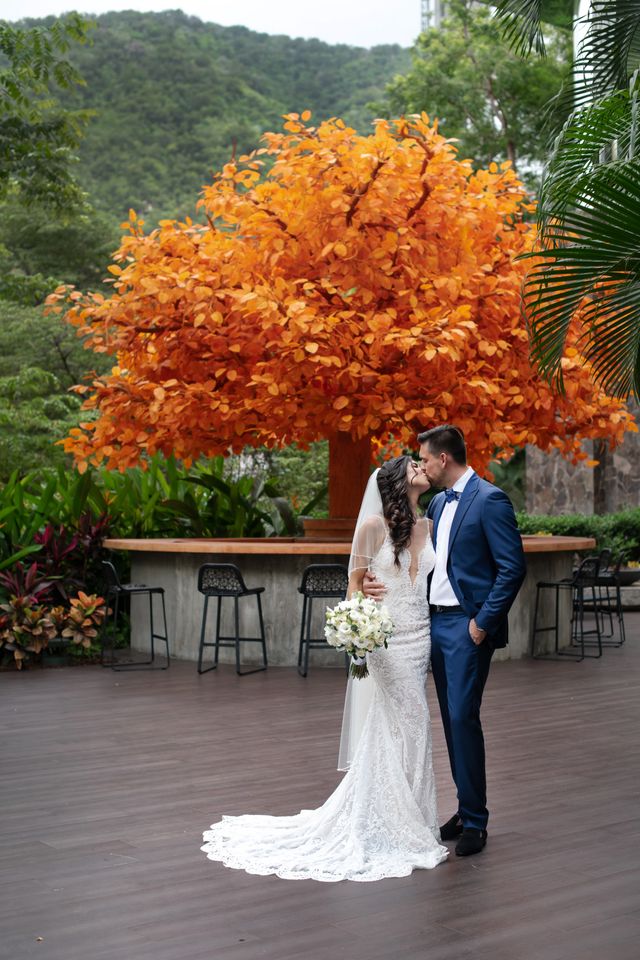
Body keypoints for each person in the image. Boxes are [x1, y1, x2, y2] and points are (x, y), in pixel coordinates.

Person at [201, 455, 448, 881]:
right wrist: (364, 605)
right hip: (386, 636)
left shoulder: (429, 525)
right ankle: (408, 824)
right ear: (394, 480)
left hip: (420, 634)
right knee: (415, 719)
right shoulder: (373, 527)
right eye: (412, 464)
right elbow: (352, 585)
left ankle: (403, 814)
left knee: (403, 724)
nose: (420, 467)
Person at [365, 425, 526, 857]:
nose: (422, 465)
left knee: (462, 718)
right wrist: (370, 584)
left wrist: (482, 623)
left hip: (465, 627)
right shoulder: (435, 503)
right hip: (425, 626)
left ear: (443, 459)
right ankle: (465, 808)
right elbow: (408, 562)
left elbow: (512, 568)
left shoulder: (491, 500)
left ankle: (476, 821)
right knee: (450, 722)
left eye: (424, 458)